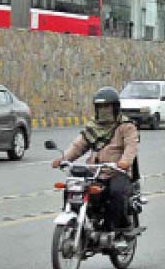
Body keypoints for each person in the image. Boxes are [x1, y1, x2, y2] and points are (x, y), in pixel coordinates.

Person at [52, 86, 139, 233]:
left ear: (115, 108)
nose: (104, 111)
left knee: (116, 192)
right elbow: (78, 145)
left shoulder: (126, 126)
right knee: (72, 185)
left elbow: (131, 147)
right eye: (100, 107)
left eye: (107, 107)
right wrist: (63, 159)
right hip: (94, 172)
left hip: (116, 172)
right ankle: (75, 218)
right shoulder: (93, 126)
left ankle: (113, 229)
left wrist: (124, 162)